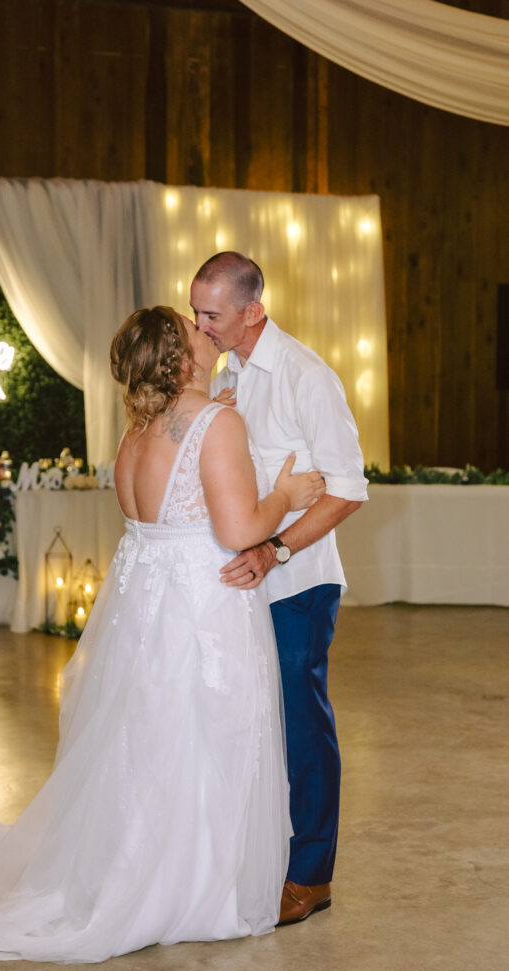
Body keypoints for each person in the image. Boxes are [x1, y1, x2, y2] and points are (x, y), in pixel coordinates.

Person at [0, 305, 325, 963]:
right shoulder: (216, 423)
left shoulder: (136, 433)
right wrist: (288, 493)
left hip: (144, 602)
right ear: (182, 360)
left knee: (141, 735)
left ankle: (125, 857)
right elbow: (240, 529)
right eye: (193, 331)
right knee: (202, 732)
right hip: (201, 601)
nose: (204, 331)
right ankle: (189, 880)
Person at [190, 252, 368, 926]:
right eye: (195, 309)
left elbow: (348, 489)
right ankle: (262, 852)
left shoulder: (305, 376)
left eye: (211, 313)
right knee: (250, 723)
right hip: (243, 585)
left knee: (301, 726)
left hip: (298, 583)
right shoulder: (228, 373)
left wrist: (277, 548)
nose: (198, 324)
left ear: (251, 310)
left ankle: (309, 876)